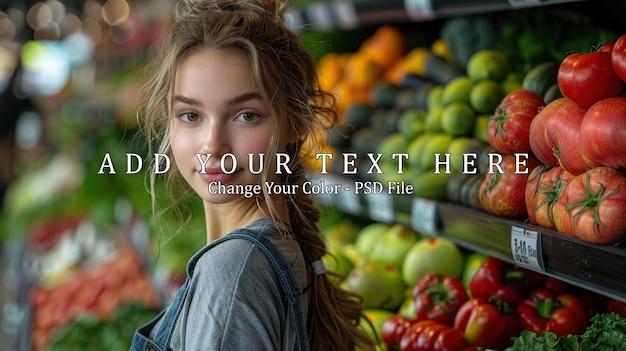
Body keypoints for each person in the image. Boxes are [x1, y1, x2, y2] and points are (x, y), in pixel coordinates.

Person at [130, 0, 376, 350]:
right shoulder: (268, 249)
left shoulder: (231, 273)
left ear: (295, 124)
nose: (212, 146)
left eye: (246, 115)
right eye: (190, 115)